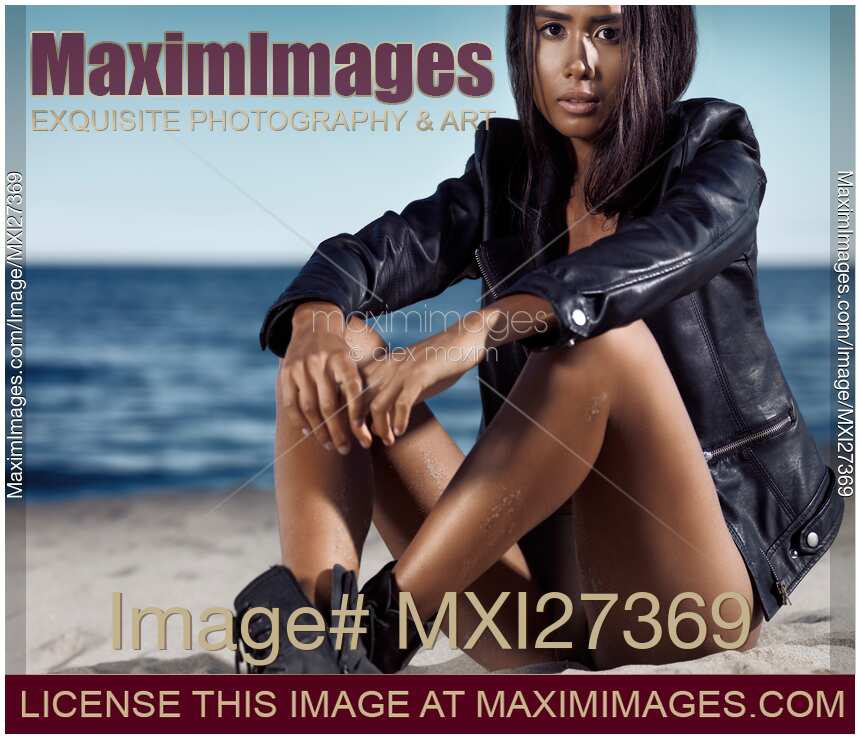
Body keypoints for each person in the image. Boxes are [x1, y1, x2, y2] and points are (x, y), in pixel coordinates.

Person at [234, 5, 844, 674]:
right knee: (335, 349)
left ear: (658, 40)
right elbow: (372, 254)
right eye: (552, 29)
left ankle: (378, 636)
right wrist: (315, 320)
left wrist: (481, 327)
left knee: (602, 345)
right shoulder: (510, 179)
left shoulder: (715, 160)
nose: (576, 60)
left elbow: (654, 254)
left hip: (679, 595)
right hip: (543, 611)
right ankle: (321, 651)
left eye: (608, 31)